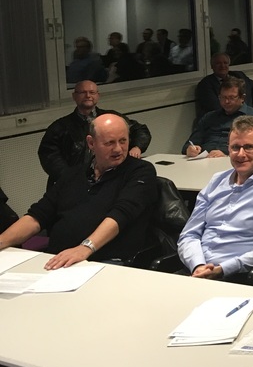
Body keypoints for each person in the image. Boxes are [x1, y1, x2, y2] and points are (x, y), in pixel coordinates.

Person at [0, 114, 157, 267]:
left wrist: (85, 248)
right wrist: (2, 241)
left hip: (105, 261)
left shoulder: (140, 171)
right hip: (59, 258)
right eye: (109, 143)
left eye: (123, 141)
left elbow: (120, 215)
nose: (118, 149)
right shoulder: (74, 173)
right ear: (91, 143)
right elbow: (38, 215)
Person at [177, 116, 253, 279]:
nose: (241, 154)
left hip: (236, 275)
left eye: (249, 147)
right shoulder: (216, 181)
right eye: (235, 147)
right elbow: (189, 234)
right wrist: (198, 265)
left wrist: (221, 269)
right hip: (195, 269)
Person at [38, 81, 151, 188]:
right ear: (74, 96)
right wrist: (71, 178)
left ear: (98, 95)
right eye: (83, 92)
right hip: (74, 183)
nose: (88, 96)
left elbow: (140, 130)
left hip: (112, 178)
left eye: (92, 92)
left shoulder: (112, 118)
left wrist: (137, 147)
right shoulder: (60, 126)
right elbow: (48, 155)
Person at [183, 77, 253, 157]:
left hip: (236, 161)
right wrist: (189, 149)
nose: (226, 101)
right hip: (203, 160)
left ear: (242, 98)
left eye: (231, 98)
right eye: (223, 97)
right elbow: (189, 143)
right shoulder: (209, 117)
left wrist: (227, 155)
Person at [194, 53, 253, 122]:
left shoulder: (239, 75)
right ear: (212, 66)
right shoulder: (205, 84)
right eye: (218, 63)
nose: (222, 66)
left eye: (225, 63)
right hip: (225, 121)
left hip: (250, 117)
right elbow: (218, 108)